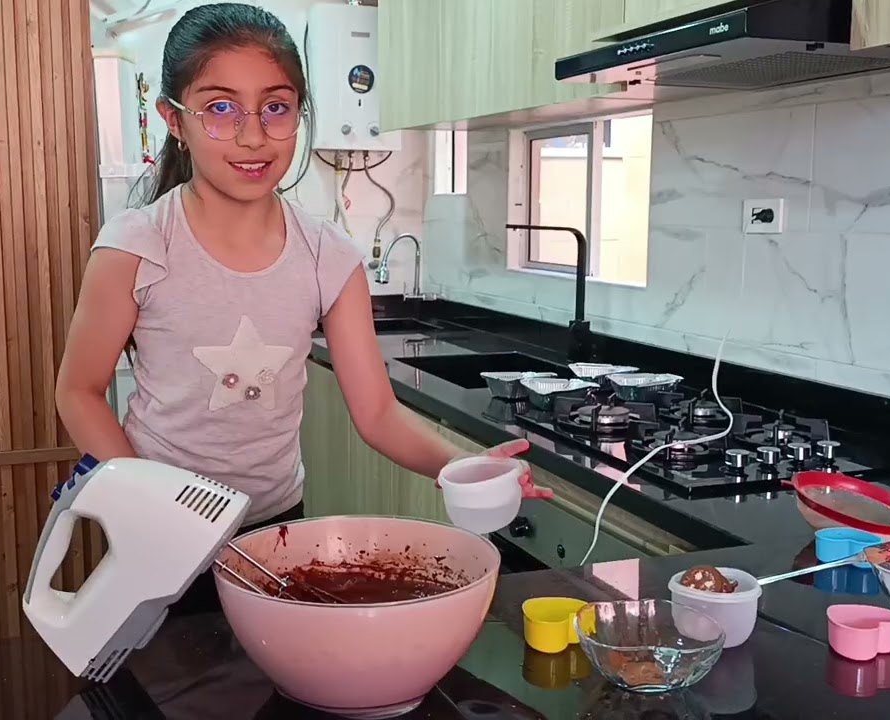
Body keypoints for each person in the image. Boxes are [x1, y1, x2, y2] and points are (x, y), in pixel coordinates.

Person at [55, 3, 550, 613]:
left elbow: (376, 413)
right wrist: (146, 502)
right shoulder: (135, 246)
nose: (253, 134)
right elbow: (79, 390)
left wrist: (465, 465)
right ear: (174, 121)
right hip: (156, 527)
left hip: (275, 525)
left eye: (276, 106)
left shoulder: (329, 257)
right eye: (219, 108)